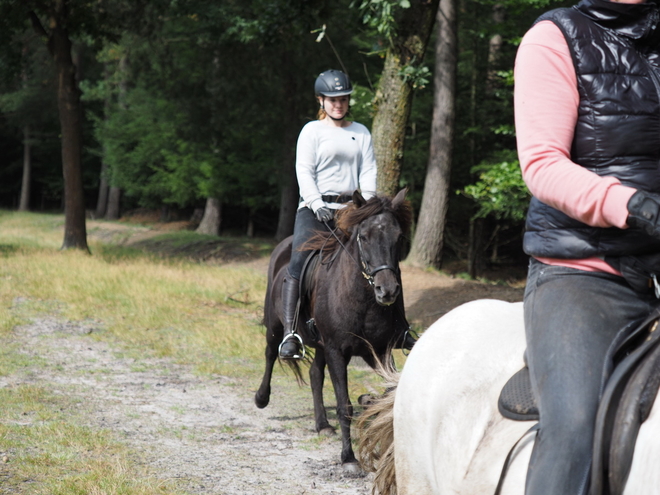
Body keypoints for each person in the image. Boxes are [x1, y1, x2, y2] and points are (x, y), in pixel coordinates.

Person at [514, 0, 660, 492]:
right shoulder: (554, 38)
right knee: (574, 425)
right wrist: (633, 205)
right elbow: (541, 163)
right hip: (585, 270)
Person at [278, 69, 378, 359]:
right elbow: (304, 170)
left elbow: (368, 170)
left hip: (350, 211)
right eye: (333, 99)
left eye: (343, 99)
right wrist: (314, 200)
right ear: (321, 100)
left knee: (379, 258)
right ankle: (290, 333)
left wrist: (368, 206)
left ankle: (398, 327)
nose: (339, 104)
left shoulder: (360, 132)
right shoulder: (312, 131)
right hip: (315, 209)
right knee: (297, 263)